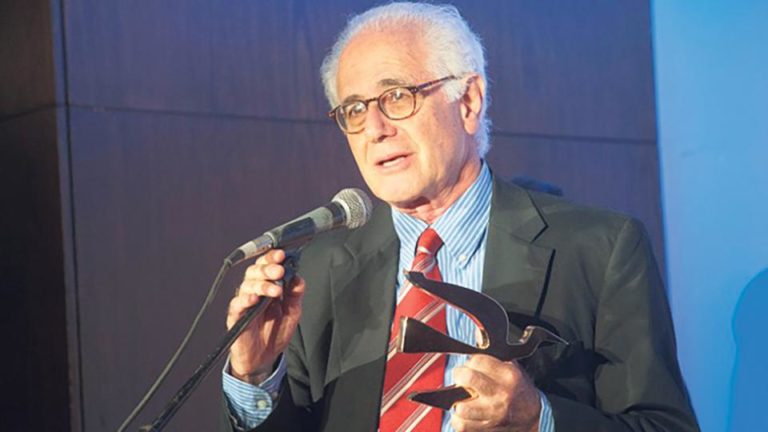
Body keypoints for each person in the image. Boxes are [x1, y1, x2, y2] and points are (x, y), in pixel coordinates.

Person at [220, 3, 699, 431]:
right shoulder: (321, 272)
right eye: (355, 109)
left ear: (468, 102)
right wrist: (255, 375)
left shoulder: (600, 249)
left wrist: (540, 420)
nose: (375, 129)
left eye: (397, 97)